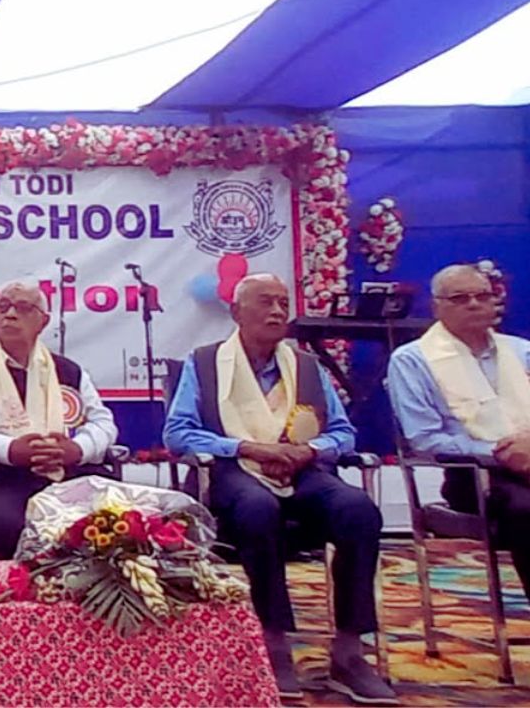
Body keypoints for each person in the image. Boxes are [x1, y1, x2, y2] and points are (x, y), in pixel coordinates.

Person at [164, 273, 393, 705]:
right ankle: (273, 639)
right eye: (265, 302)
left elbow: (343, 432)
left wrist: (309, 450)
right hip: (230, 471)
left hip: (300, 468)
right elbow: (179, 433)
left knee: (358, 509)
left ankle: (349, 649)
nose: (276, 311)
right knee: (258, 507)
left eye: (283, 303)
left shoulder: (305, 366)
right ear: (237, 312)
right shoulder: (204, 363)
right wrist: (247, 447)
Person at [387, 263, 530, 596]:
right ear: (436, 307)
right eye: (460, 298)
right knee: (526, 509)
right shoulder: (412, 360)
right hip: (476, 476)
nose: (474, 304)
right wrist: (502, 452)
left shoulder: (522, 351)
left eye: (483, 296)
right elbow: (424, 439)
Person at [0, 281, 118, 559]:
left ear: (43, 321)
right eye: (3, 307)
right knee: (5, 526)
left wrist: (78, 449)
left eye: (22, 307)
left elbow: (104, 424)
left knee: (112, 521)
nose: (10, 314)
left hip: (67, 470)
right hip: (3, 474)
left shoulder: (67, 370)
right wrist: (9, 449)